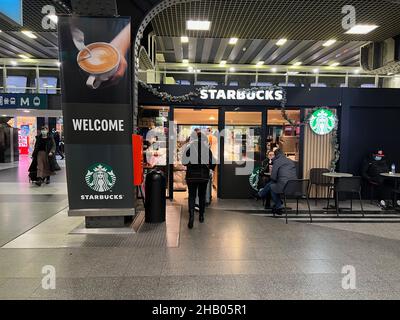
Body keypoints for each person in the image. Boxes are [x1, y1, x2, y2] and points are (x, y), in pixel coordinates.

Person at [182, 130, 216, 229]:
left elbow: (184, 162)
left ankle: (191, 217)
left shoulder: (189, 148)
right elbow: (213, 163)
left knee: (191, 196)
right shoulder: (207, 149)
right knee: (202, 195)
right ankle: (201, 216)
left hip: (191, 176)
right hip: (203, 177)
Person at [257, 148, 297, 214]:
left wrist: (278, 177)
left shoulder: (277, 161)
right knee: (272, 185)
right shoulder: (290, 161)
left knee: (272, 186)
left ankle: (277, 205)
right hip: (293, 186)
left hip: (284, 187)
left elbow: (273, 177)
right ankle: (262, 195)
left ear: (276, 155)